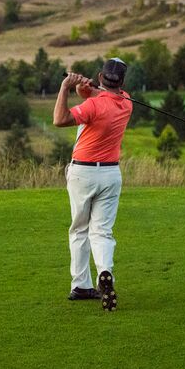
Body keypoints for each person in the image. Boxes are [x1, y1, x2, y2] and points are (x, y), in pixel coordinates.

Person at [52, 58, 132, 311]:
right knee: (102, 232)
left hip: (83, 173)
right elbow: (96, 94)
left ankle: (81, 285)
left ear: (100, 76)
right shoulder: (126, 102)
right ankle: (104, 273)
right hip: (110, 175)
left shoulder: (93, 107)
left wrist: (65, 87)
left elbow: (60, 119)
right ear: (122, 82)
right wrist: (83, 86)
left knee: (79, 230)